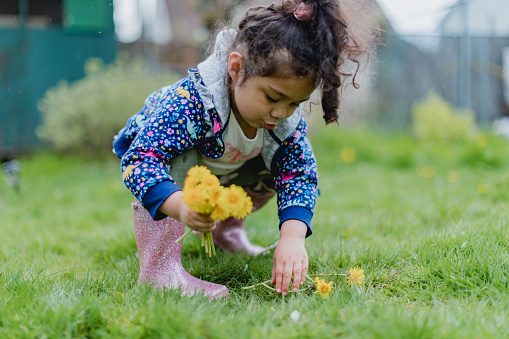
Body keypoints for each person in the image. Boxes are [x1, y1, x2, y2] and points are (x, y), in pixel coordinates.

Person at [113, 0, 369, 299]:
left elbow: (300, 175)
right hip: (168, 168)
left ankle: (226, 229)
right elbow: (141, 159)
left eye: (293, 104)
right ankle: (159, 270)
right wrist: (181, 206)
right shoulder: (193, 101)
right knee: (174, 161)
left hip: (223, 171)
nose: (280, 113)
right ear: (236, 68)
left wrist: (292, 238)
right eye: (273, 97)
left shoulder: (284, 124)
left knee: (283, 166)